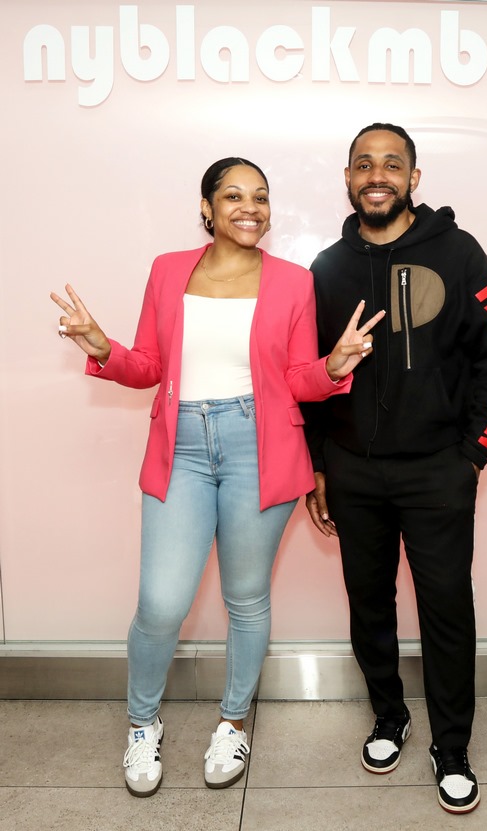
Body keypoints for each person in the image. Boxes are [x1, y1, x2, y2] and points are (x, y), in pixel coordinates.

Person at [51, 157, 384, 798]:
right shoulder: (168, 270)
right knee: (161, 604)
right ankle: (143, 724)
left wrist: (334, 365)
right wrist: (103, 348)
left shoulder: (292, 282)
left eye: (260, 196)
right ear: (207, 208)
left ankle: (232, 723)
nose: (249, 207)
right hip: (180, 448)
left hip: (260, 446)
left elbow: (297, 380)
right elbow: (149, 366)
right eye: (233, 196)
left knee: (246, 598)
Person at [303, 124, 487, 814]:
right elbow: (309, 378)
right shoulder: (325, 269)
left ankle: (451, 745)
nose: (378, 175)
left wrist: (471, 456)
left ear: (413, 179)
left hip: (437, 472)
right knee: (368, 604)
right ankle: (390, 716)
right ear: (347, 178)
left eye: (392, 164)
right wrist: (318, 465)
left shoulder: (459, 253)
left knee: (446, 610)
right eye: (364, 164)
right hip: (353, 472)